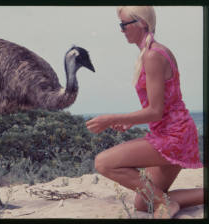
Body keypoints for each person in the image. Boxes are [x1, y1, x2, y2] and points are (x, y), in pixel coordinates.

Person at [86, 6, 203, 219]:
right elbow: (163, 106)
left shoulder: (152, 56)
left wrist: (111, 118)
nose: (121, 30)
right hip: (176, 133)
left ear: (141, 23)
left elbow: (156, 111)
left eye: (124, 25)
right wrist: (132, 121)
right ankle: (166, 201)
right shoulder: (154, 52)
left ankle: (164, 202)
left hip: (174, 136)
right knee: (143, 203)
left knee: (103, 162)